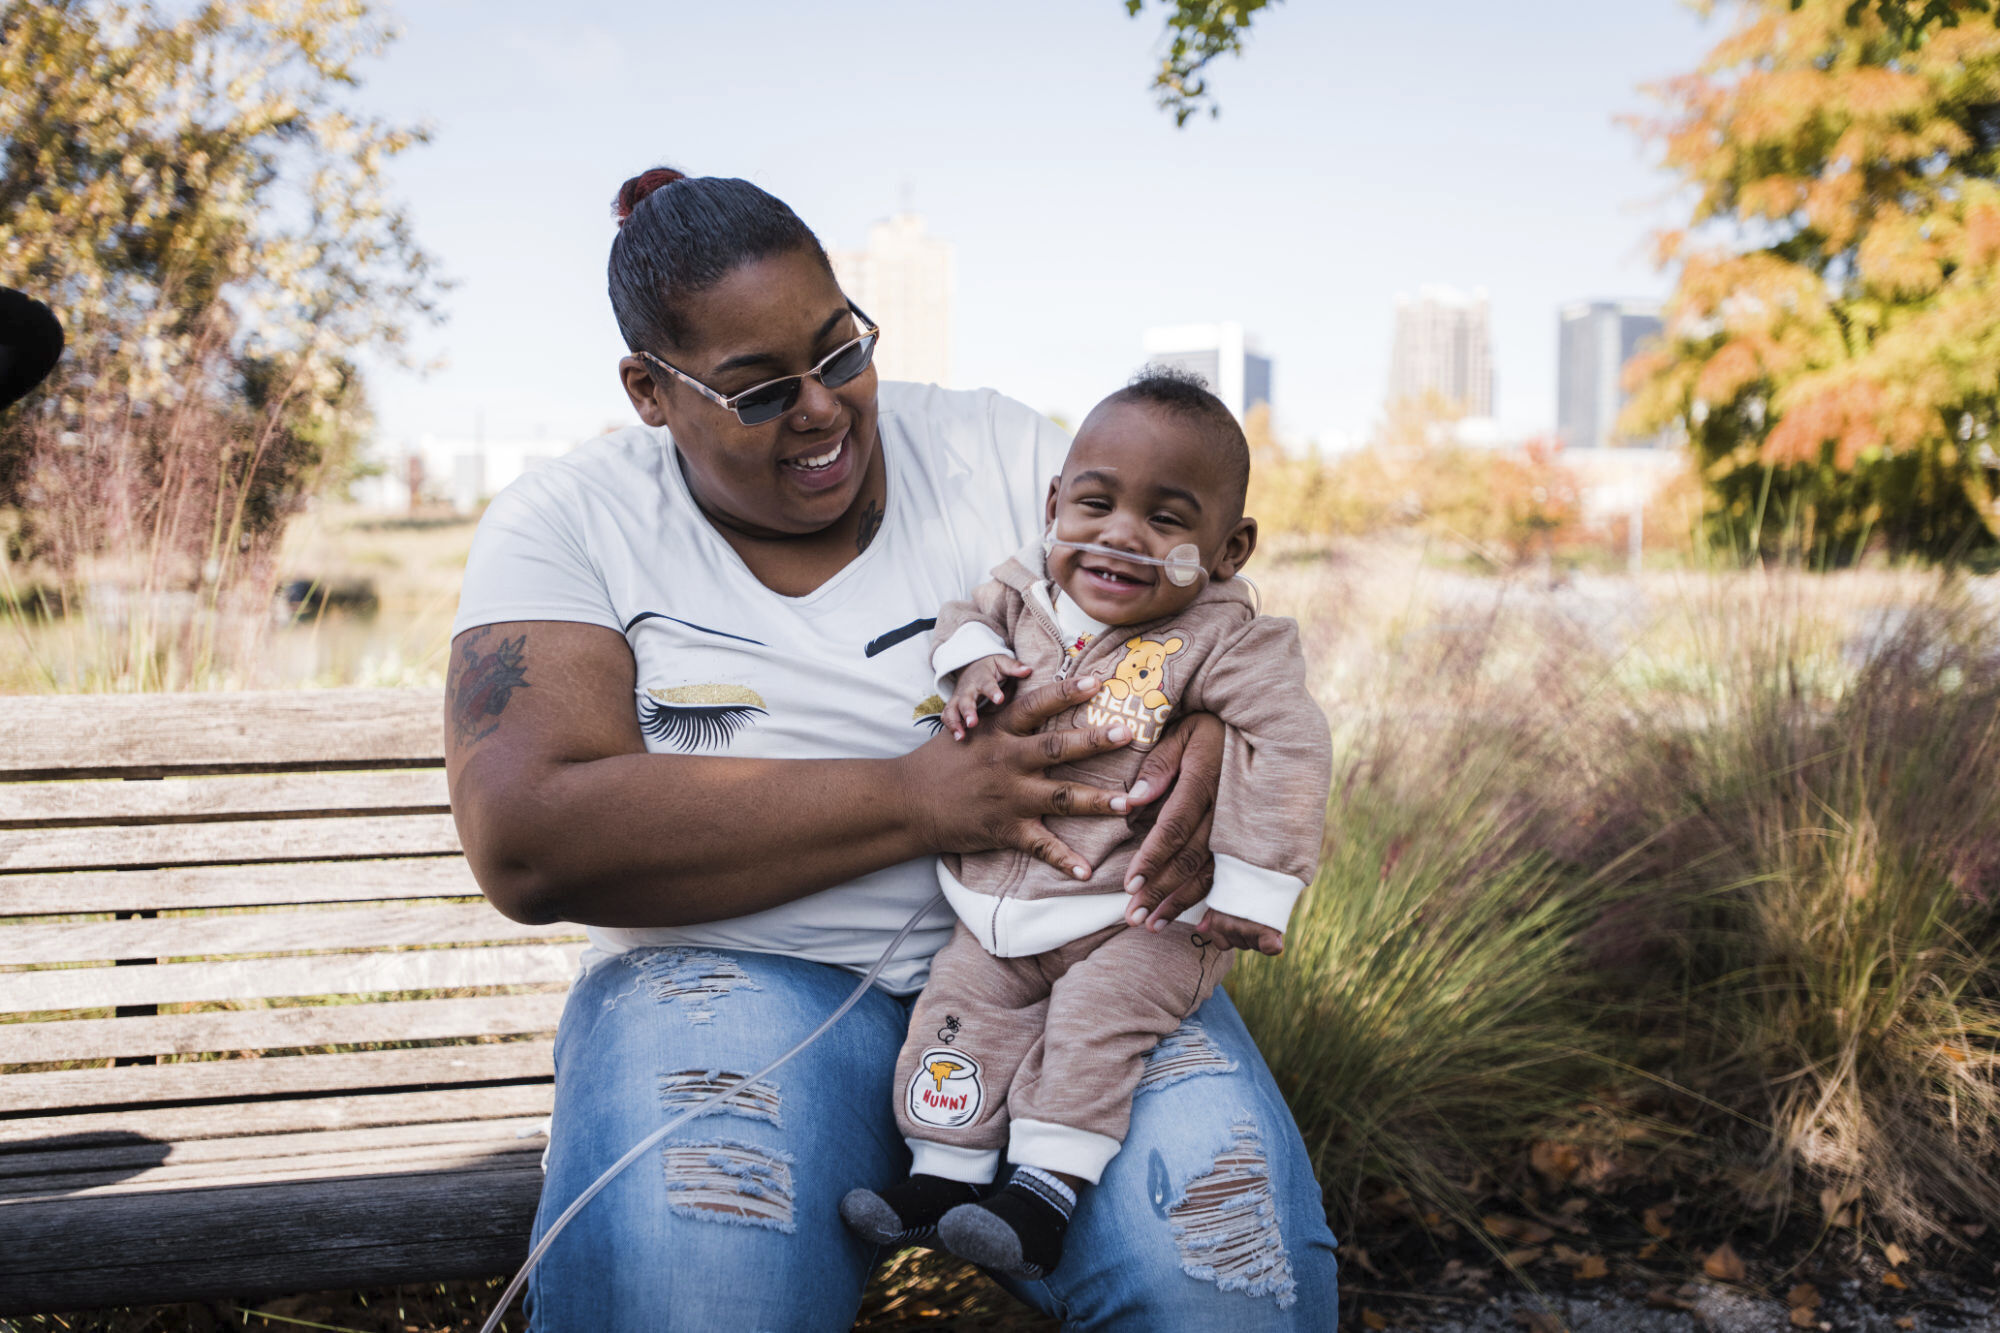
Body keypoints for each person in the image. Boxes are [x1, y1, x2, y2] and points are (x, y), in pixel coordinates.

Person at [445, 165, 1339, 1330]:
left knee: (1225, 1278)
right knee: (693, 1289)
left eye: (839, 352)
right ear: (648, 392)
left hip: (1076, 965)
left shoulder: (996, 454)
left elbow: (1190, 586)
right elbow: (527, 840)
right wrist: (920, 799)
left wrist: (1214, 734)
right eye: (758, 390)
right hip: (726, 980)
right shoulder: (568, 522)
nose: (821, 408)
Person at [839, 370, 1333, 1283]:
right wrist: (976, 661)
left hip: (1139, 915)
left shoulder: (1226, 641)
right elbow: (964, 618)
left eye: (1167, 520)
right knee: (959, 1015)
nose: (1121, 536)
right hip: (995, 909)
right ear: (1055, 503)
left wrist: (1253, 885)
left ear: (1229, 548)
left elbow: (1292, 743)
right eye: (1096, 504)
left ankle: (1045, 1193)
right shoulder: (1022, 593)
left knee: (1094, 1023)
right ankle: (943, 1175)